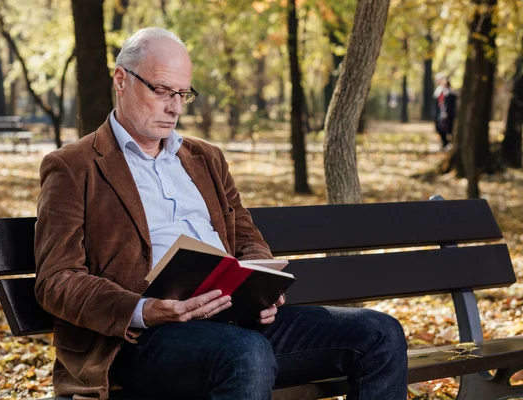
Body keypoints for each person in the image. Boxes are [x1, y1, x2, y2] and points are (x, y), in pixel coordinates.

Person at [34, 27, 408, 400]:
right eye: (162, 91)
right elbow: (57, 279)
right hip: (144, 341)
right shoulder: (74, 167)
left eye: (183, 94)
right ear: (121, 80)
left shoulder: (205, 158)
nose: (175, 107)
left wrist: (260, 287)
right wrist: (145, 309)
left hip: (236, 319)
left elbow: (246, 238)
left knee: (381, 333)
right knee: (245, 354)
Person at [433, 74, 457, 150]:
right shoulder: (439, 92)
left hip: (449, 115)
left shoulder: (451, 94)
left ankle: (449, 144)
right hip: (440, 114)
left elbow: (450, 105)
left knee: (449, 130)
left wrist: (446, 112)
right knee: (439, 128)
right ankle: (445, 143)